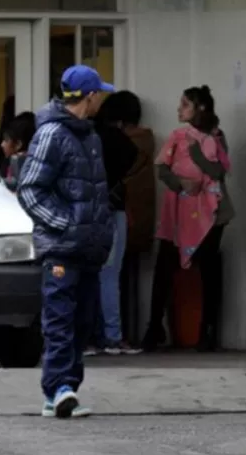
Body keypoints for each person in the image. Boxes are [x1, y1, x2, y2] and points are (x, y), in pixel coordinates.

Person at [16, 64, 117, 419]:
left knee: (81, 321)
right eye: (100, 93)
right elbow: (29, 189)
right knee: (59, 319)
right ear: (89, 97)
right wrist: (66, 224)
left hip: (87, 249)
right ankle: (57, 387)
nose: (102, 99)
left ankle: (65, 389)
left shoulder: (90, 137)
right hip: (62, 248)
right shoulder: (52, 135)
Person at [144, 85, 232, 352]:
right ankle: (154, 327)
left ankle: (208, 330)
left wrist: (197, 156)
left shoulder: (215, 137)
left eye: (185, 105)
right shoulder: (177, 136)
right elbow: (161, 167)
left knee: (208, 271)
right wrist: (180, 183)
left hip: (210, 213)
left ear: (200, 108)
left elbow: (219, 171)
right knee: (164, 266)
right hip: (178, 212)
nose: (179, 109)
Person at [101, 90, 157, 347]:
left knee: (103, 275)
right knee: (113, 275)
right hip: (123, 212)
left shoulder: (97, 137)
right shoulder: (143, 142)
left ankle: (105, 335)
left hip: (102, 212)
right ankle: (114, 335)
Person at [88, 92, 140, 356]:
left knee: (89, 274)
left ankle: (91, 335)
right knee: (110, 274)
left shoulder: (86, 137)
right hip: (112, 207)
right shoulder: (117, 141)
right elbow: (133, 154)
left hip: (87, 210)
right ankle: (112, 335)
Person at [0, 110, 36, 190]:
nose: (2, 145)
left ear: (18, 144)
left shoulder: (21, 166)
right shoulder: (8, 163)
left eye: (6, 140)